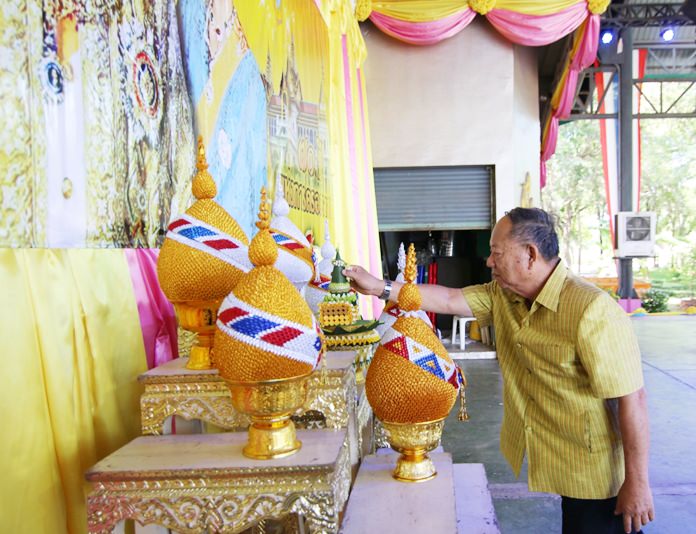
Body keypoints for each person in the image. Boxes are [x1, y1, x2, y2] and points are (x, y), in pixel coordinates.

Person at [345, 207, 654, 534]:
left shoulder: (591, 310)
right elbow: (450, 299)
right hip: (561, 456)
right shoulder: (504, 296)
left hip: (597, 472)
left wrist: (637, 483)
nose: (489, 261)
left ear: (530, 255)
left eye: (496, 253)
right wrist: (379, 287)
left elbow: (631, 399)